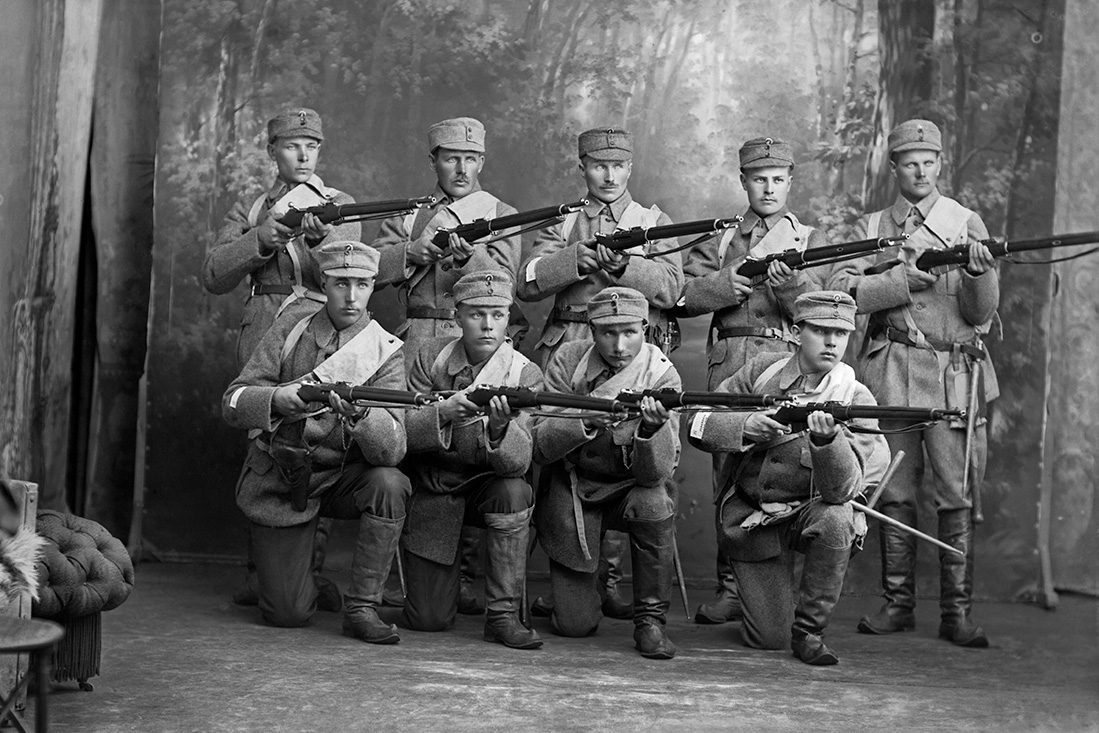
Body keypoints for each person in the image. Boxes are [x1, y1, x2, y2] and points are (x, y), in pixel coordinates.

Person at [827, 119, 997, 648]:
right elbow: (839, 291)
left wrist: (975, 274)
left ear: (940, 164)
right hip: (891, 373)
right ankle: (897, 604)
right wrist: (897, 281)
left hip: (950, 376)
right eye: (909, 162)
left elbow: (980, 314)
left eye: (929, 161)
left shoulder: (966, 222)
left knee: (955, 493)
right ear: (894, 167)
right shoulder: (874, 225)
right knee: (894, 491)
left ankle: (956, 613)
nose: (920, 171)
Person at [518, 127, 685, 620]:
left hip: (626, 351)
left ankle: (611, 582)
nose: (608, 176)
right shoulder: (564, 220)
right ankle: (573, 572)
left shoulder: (653, 222)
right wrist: (575, 259)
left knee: (629, 453)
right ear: (582, 168)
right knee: (553, 459)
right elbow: (526, 281)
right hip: (568, 349)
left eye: (617, 166)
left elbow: (674, 290)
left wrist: (625, 266)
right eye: (597, 166)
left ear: (630, 168)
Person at [203, 107, 355, 610]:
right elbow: (213, 274)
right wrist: (259, 240)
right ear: (272, 151)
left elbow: (357, 270)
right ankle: (260, 569)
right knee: (261, 441)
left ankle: (310, 570)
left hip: (320, 327)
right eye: (292, 146)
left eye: (312, 145)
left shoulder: (337, 204)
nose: (304, 154)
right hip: (266, 325)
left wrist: (321, 238)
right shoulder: (252, 209)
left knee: (324, 438)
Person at [222, 241, 410, 644]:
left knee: (390, 483)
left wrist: (360, 415)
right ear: (324, 281)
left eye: (362, 284)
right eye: (341, 283)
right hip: (284, 478)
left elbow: (392, 449)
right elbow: (234, 401)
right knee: (287, 615)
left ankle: (362, 607)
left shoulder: (385, 350)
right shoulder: (291, 327)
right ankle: (303, 580)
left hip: (340, 476)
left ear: (374, 284)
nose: (352, 296)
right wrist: (276, 399)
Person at [373, 116, 524, 614]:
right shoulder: (412, 214)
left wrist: (467, 259)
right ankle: (420, 569)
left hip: (477, 340)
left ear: (482, 161)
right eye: (450, 158)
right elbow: (366, 267)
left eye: (471, 159)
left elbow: (503, 285)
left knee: (480, 442)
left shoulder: (502, 213)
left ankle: (475, 576)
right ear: (433, 160)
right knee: (414, 448)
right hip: (418, 340)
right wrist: (410, 253)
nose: (461, 168)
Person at [688, 291, 885, 665]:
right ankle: (773, 606)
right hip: (753, 519)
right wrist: (744, 425)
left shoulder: (855, 397)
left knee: (838, 519)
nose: (831, 342)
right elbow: (697, 421)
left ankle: (810, 630)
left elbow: (842, 490)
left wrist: (828, 441)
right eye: (821, 330)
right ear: (796, 332)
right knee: (766, 638)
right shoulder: (761, 371)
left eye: (841, 334)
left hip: (810, 513)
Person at [677, 137, 826, 625]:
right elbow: (680, 296)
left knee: (786, 470)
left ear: (790, 182)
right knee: (727, 473)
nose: (768, 188)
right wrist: (722, 285)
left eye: (778, 179)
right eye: (759, 178)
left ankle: (780, 588)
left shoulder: (806, 238)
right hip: (728, 359)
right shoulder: (722, 238)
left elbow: (824, 311)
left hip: (782, 359)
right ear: (743, 181)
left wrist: (790, 285)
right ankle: (731, 588)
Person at [531, 287, 682, 659]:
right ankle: (579, 594)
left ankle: (650, 622)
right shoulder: (568, 360)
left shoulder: (662, 374)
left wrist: (649, 431)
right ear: (591, 331)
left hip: (631, 486)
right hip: (574, 487)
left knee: (655, 503)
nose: (618, 345)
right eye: (607, 333)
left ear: (645, 328)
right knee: (574, 627)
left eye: (629, 332)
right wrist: (582, 419)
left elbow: (657, 473)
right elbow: (538, 444)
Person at [400, 270, 542, 650]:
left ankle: (502, 615)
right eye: (477, 314)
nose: (487, 325)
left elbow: (520, 461)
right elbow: (401, 436)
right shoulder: (430, 356)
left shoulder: (524, 372)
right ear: (457, 316)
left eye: (498, 315)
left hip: (486, 483)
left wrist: (499, 430)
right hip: (436, 485)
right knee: (427, 620)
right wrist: (442, 413)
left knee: (515, 491)